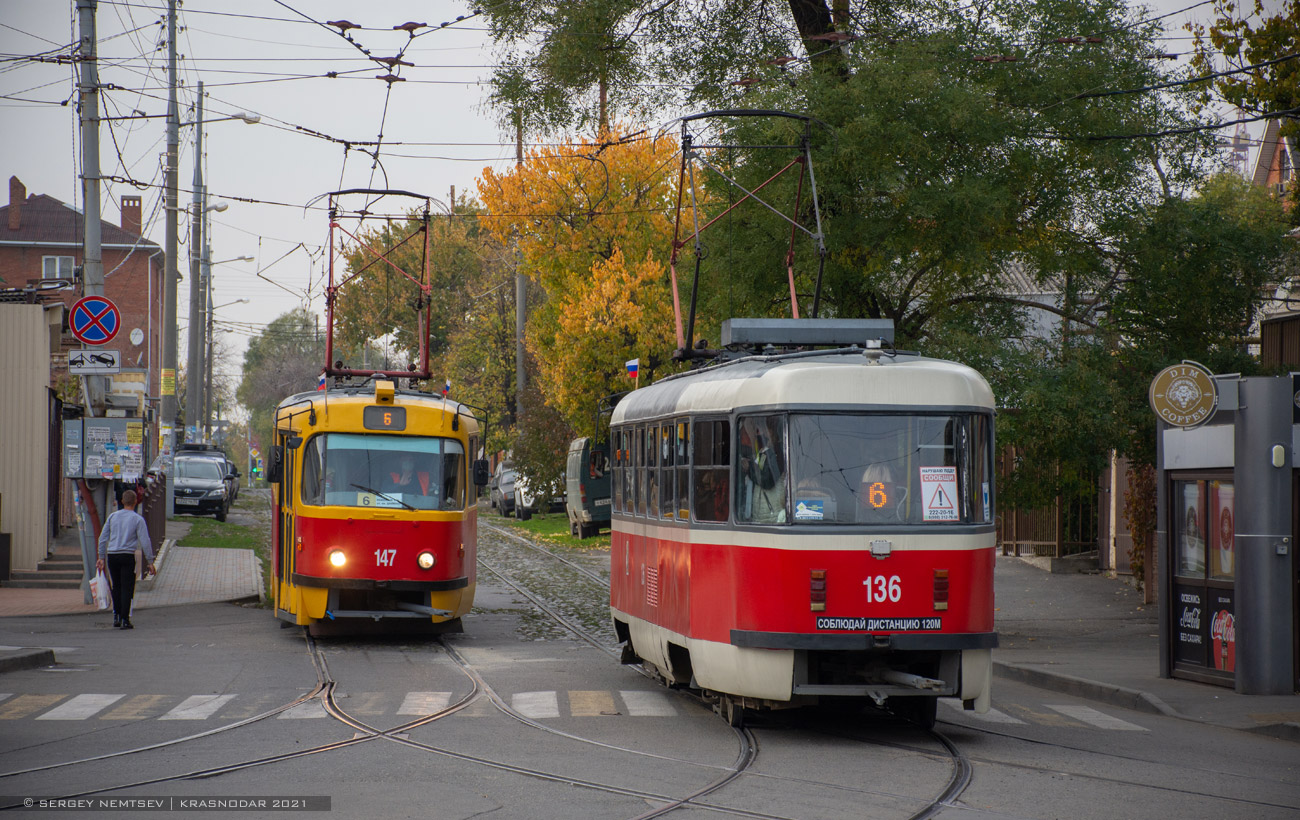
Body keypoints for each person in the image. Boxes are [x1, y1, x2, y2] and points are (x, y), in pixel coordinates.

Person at [96, 489, 155, 629]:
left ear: (122, 501)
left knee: (116, 586)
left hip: (112, 555)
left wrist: (101, 557)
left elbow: (102, 538)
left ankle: (116, 615)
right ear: (135, 502)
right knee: (127, 587)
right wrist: (150, 561)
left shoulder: (112, 517)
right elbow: (145, 541)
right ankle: (125, 619)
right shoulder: (137, 519)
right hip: (127, 555)